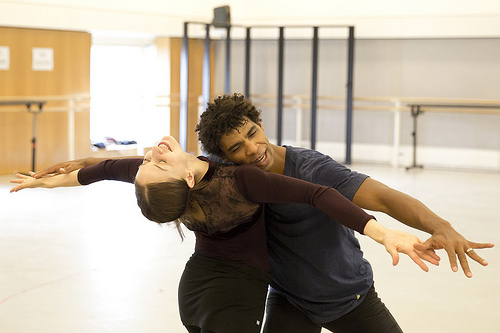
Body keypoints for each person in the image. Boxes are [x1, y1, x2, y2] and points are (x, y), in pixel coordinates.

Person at [30, 93, 494, 332]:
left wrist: (439, 227)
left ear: (260, 123)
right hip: (290, 300)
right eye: (238, 147)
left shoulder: (313, 168)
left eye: (255, 133)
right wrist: (74, 170)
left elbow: (386, 198)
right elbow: (124, 168)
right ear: (222, 157)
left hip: (349, 296)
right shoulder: (220, 176)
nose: (255, 149)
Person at [10, 135, 435, 333]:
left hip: (232, 282)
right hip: (222, 287)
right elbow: (319, 195)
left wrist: (46, 181)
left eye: (148, 162)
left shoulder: (177, 178)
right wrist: (383, 235)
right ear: (185, 183)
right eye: (154, 164)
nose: (152, 155)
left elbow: (101, 170)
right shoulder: (236, 181)